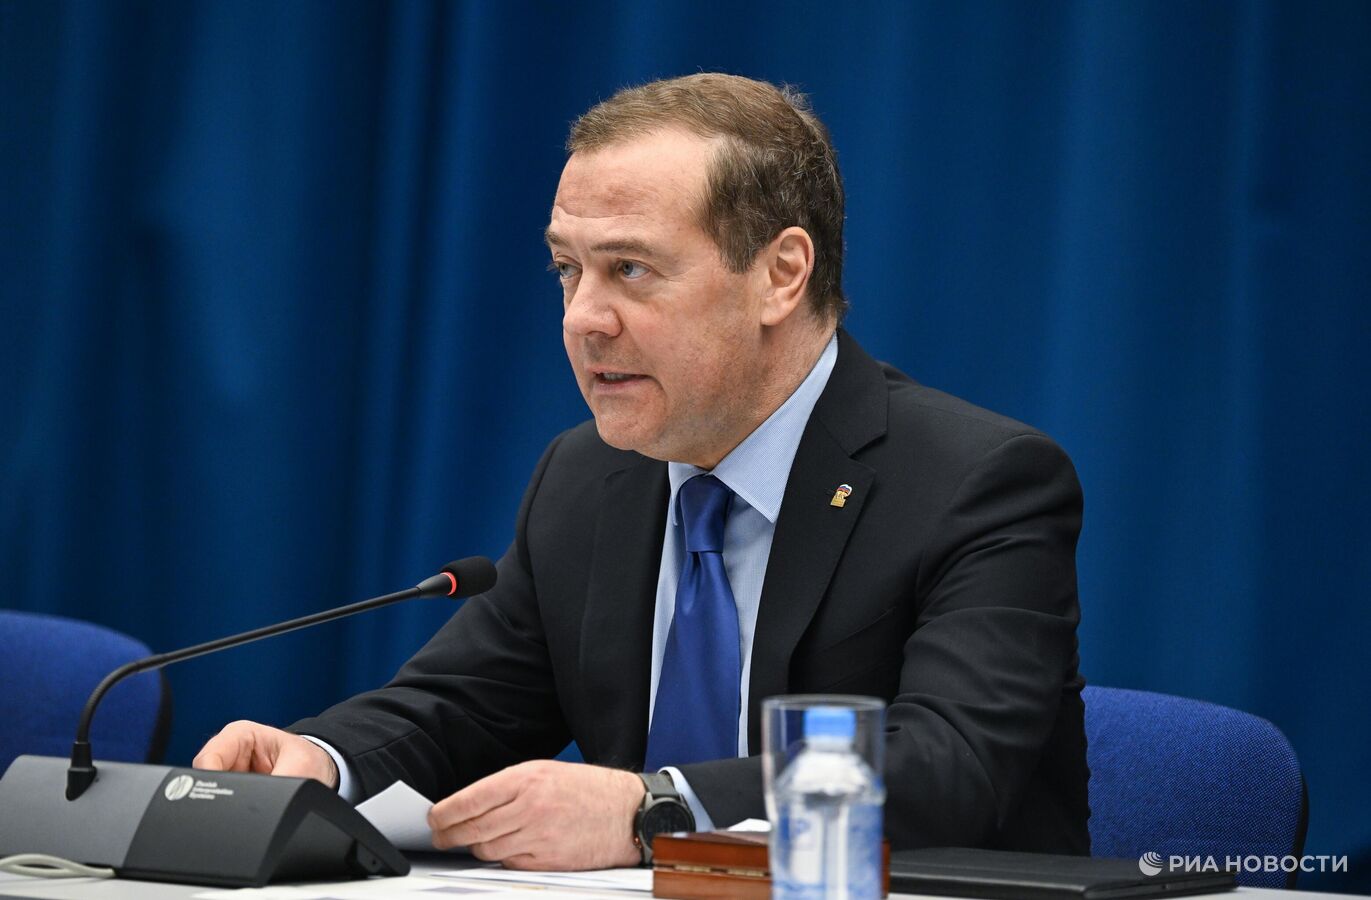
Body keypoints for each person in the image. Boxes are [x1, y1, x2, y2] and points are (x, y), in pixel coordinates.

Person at [195, 73, 1089, 871]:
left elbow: (949, 762)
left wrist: (654, 809)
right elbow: (465, 705)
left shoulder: (974, 481)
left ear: (780, 274)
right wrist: (321, 762)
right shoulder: (587, 476)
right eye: (566, 269)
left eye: (629, 269)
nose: (582, 318)